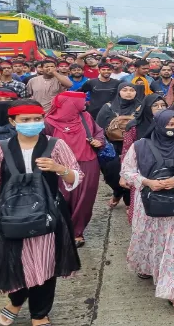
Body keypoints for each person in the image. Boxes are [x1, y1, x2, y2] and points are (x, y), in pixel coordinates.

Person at [0, 99, 82, 326]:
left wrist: (60, 169)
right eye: (25, 120)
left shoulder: (56, 145)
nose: (32, 123)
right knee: (15, 262)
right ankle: (16, 300)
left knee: (45, 264)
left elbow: (75, 179)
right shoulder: (1, 148)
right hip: (10, 215)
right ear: (12, 121)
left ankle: (40, 313)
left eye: (37, 119)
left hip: (47, 215)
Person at [120, 109, 174, 318]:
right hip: (148, 203)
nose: (173, 128)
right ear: (158, 124)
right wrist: (147, 182)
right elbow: (126, 171)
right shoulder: (140, 146)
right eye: (169, 124)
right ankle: (147, 266)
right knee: (149, 239)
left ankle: (172, 292)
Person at [45, 92, 105, 248]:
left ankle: (77, 231)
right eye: (81, 101)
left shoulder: (85, 117)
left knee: (85, 198)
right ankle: (61, 228)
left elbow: (99, 132)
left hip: (87, 162)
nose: (85, 103)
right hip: (60, 166)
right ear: (71, 103)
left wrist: (99, 141)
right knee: (62, 197)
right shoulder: (48, 122)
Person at [120, 94, 168, 219]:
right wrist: (123, 176)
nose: (160, 108)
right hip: (141, 172)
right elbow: (126, 151)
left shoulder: (171, 123)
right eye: (155, 105)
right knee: (141, 206)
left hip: (167, 170)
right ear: (147, 107)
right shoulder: (134, 126)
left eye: (163, 105)